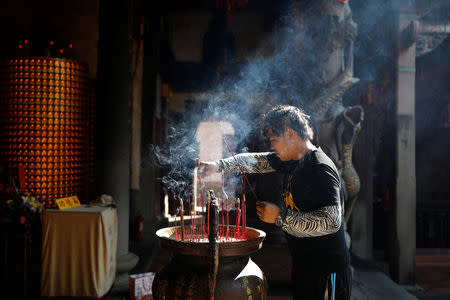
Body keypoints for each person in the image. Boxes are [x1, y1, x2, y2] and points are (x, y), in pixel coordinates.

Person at [199, 104, 351, 300]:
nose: (271, 146)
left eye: (273, 139)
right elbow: (256, 161)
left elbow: (331, 221)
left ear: (290, 134)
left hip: (328, 269)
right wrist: (218, 166)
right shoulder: (291, 160)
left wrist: (280, 217)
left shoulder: (320, 167)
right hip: (304, 264)